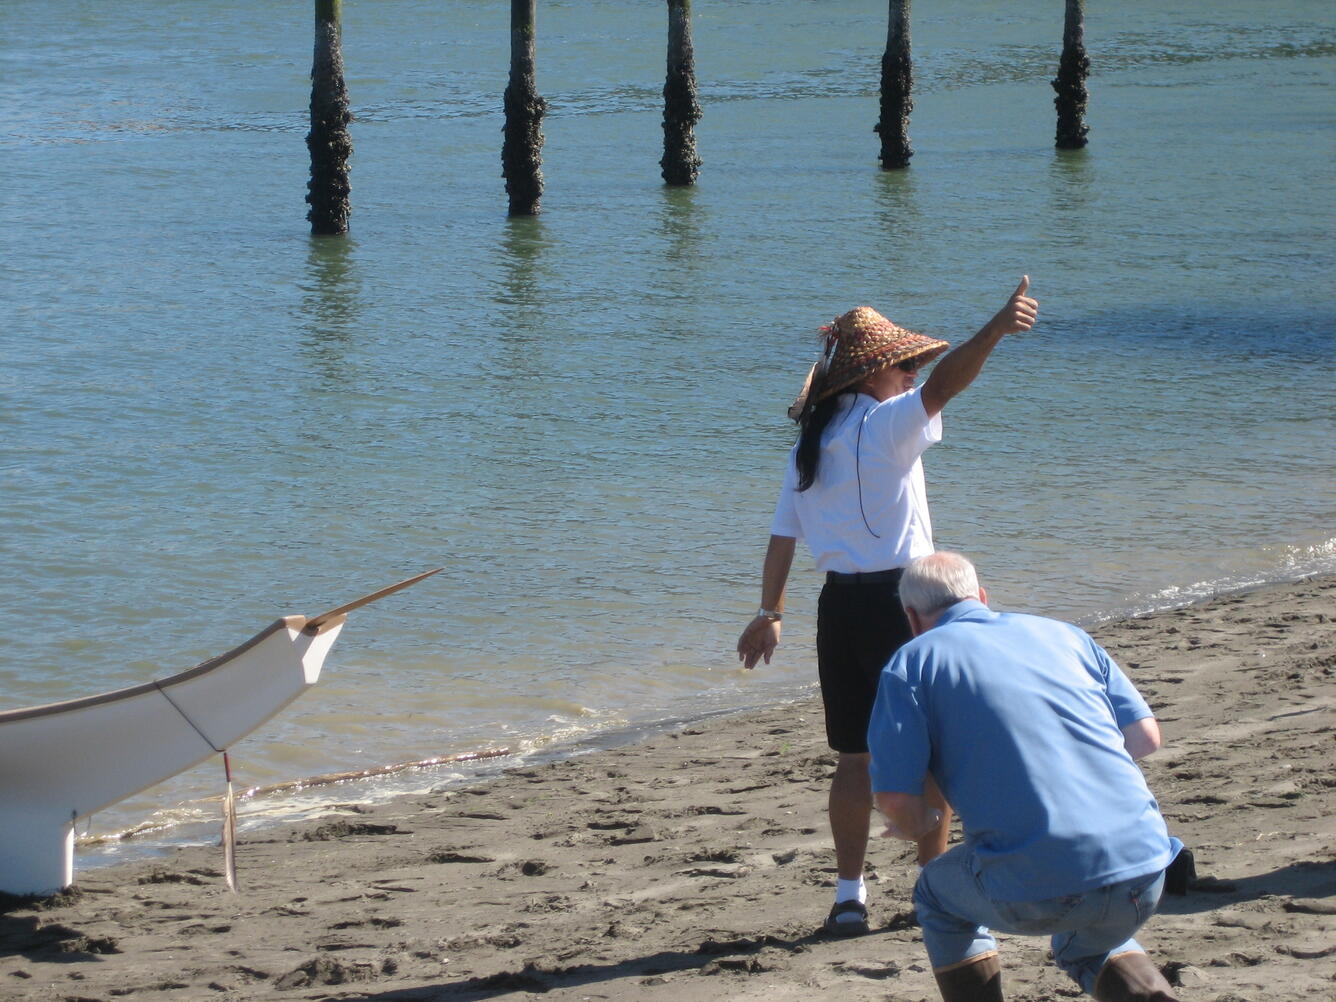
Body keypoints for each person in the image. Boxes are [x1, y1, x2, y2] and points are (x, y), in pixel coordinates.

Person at [736, 279, 1039, 936]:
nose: (912, 376)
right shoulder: (885, 423)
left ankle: (850, 896)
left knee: (854, 758)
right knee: (936, 753)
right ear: (875, 373)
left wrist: (770, 613)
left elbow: (782, 540)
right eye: (904, 365)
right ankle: (935, 890)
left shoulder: (809, 446)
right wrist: (994, 330)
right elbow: (948, 384)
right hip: (906, 605)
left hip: (836, 610)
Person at [869, 552, 1182, 1002]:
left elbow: (898, 800)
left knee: (936, 894)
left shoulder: (911, 663)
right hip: (1147, 869)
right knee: (1088, 940)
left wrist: (919, 824)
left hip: (1042, 886)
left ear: (912, 618)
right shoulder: (1065, 635)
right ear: (981, 596)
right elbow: (1147, 738)